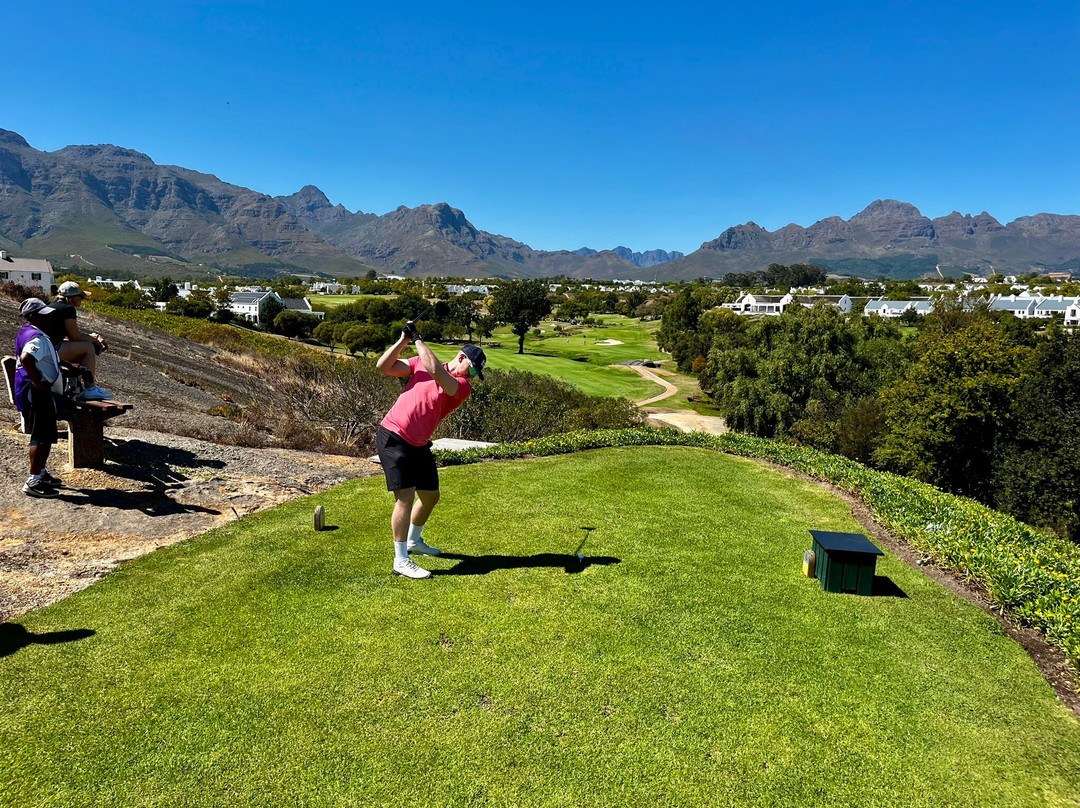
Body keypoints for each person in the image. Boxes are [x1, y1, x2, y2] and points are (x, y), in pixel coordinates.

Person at [375, 322, 487, 579]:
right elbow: (383, 366)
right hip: (394, 436)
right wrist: (404, 340)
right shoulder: (419, 363)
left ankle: (413, 541)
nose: (472, 376)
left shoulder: (462, 387)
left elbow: (436, 370)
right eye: (472, 369)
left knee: (430, 496)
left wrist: (417, 338)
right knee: (405, 497)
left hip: (419, 444)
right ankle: (401, 560)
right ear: (461, 357)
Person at [13, 298, 66, 498]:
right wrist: (39, 383)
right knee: (42, 437)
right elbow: (27, 358)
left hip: (33, 391)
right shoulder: (37, 337)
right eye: (44, 316)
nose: (49, 318)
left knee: (45, 435)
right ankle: (33, 481)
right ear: (33, 317)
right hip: (38, 393)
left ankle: (41, 473)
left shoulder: (27, 331)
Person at [40, 281, 113, 401]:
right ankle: (90, 389)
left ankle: (76, 385)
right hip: (51, 352)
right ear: (72, 297)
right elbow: (75, 336)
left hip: (45, 350)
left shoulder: (52, 305)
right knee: (88, 347)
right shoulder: (68, 309)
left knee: (80, 348)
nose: (82, 300)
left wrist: (92, 336)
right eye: (81, 297)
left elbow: (69, 335)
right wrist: (94, 340)